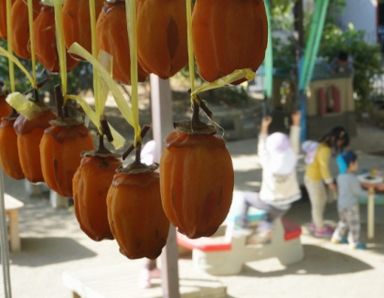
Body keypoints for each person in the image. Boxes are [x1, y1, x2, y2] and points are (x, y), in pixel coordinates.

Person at [240, 111, 302, 243]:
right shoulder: (292, 157)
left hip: (269, 202)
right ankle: (265, 228)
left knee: (245, 197)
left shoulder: (267, 161)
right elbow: (295, 142)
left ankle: (242, 226)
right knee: (270, 216)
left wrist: (264, 126)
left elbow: (261, 146)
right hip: (286, 205)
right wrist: (296, 122)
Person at [304, 126, 349, 238]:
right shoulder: (325, 150)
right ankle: (319, 229)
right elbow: (324, 168)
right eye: (341, 142)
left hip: (313, 177)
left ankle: (315, 223)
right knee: (317, 204)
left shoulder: (320, 144)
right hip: (313, 179)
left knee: (321, 200)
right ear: (336, 140)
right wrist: (330, 183)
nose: (340, 145)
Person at [331, 151, 366, 249]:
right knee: (354, 225)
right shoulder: (352, 178)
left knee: (343, 222)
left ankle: (336, 237)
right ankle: (354, 243)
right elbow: (358, 192)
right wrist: (370, 194)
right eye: (356, 162)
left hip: (341, 204)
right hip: (351, 206)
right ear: (351, 164)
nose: (357, 164)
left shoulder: (340, 176)